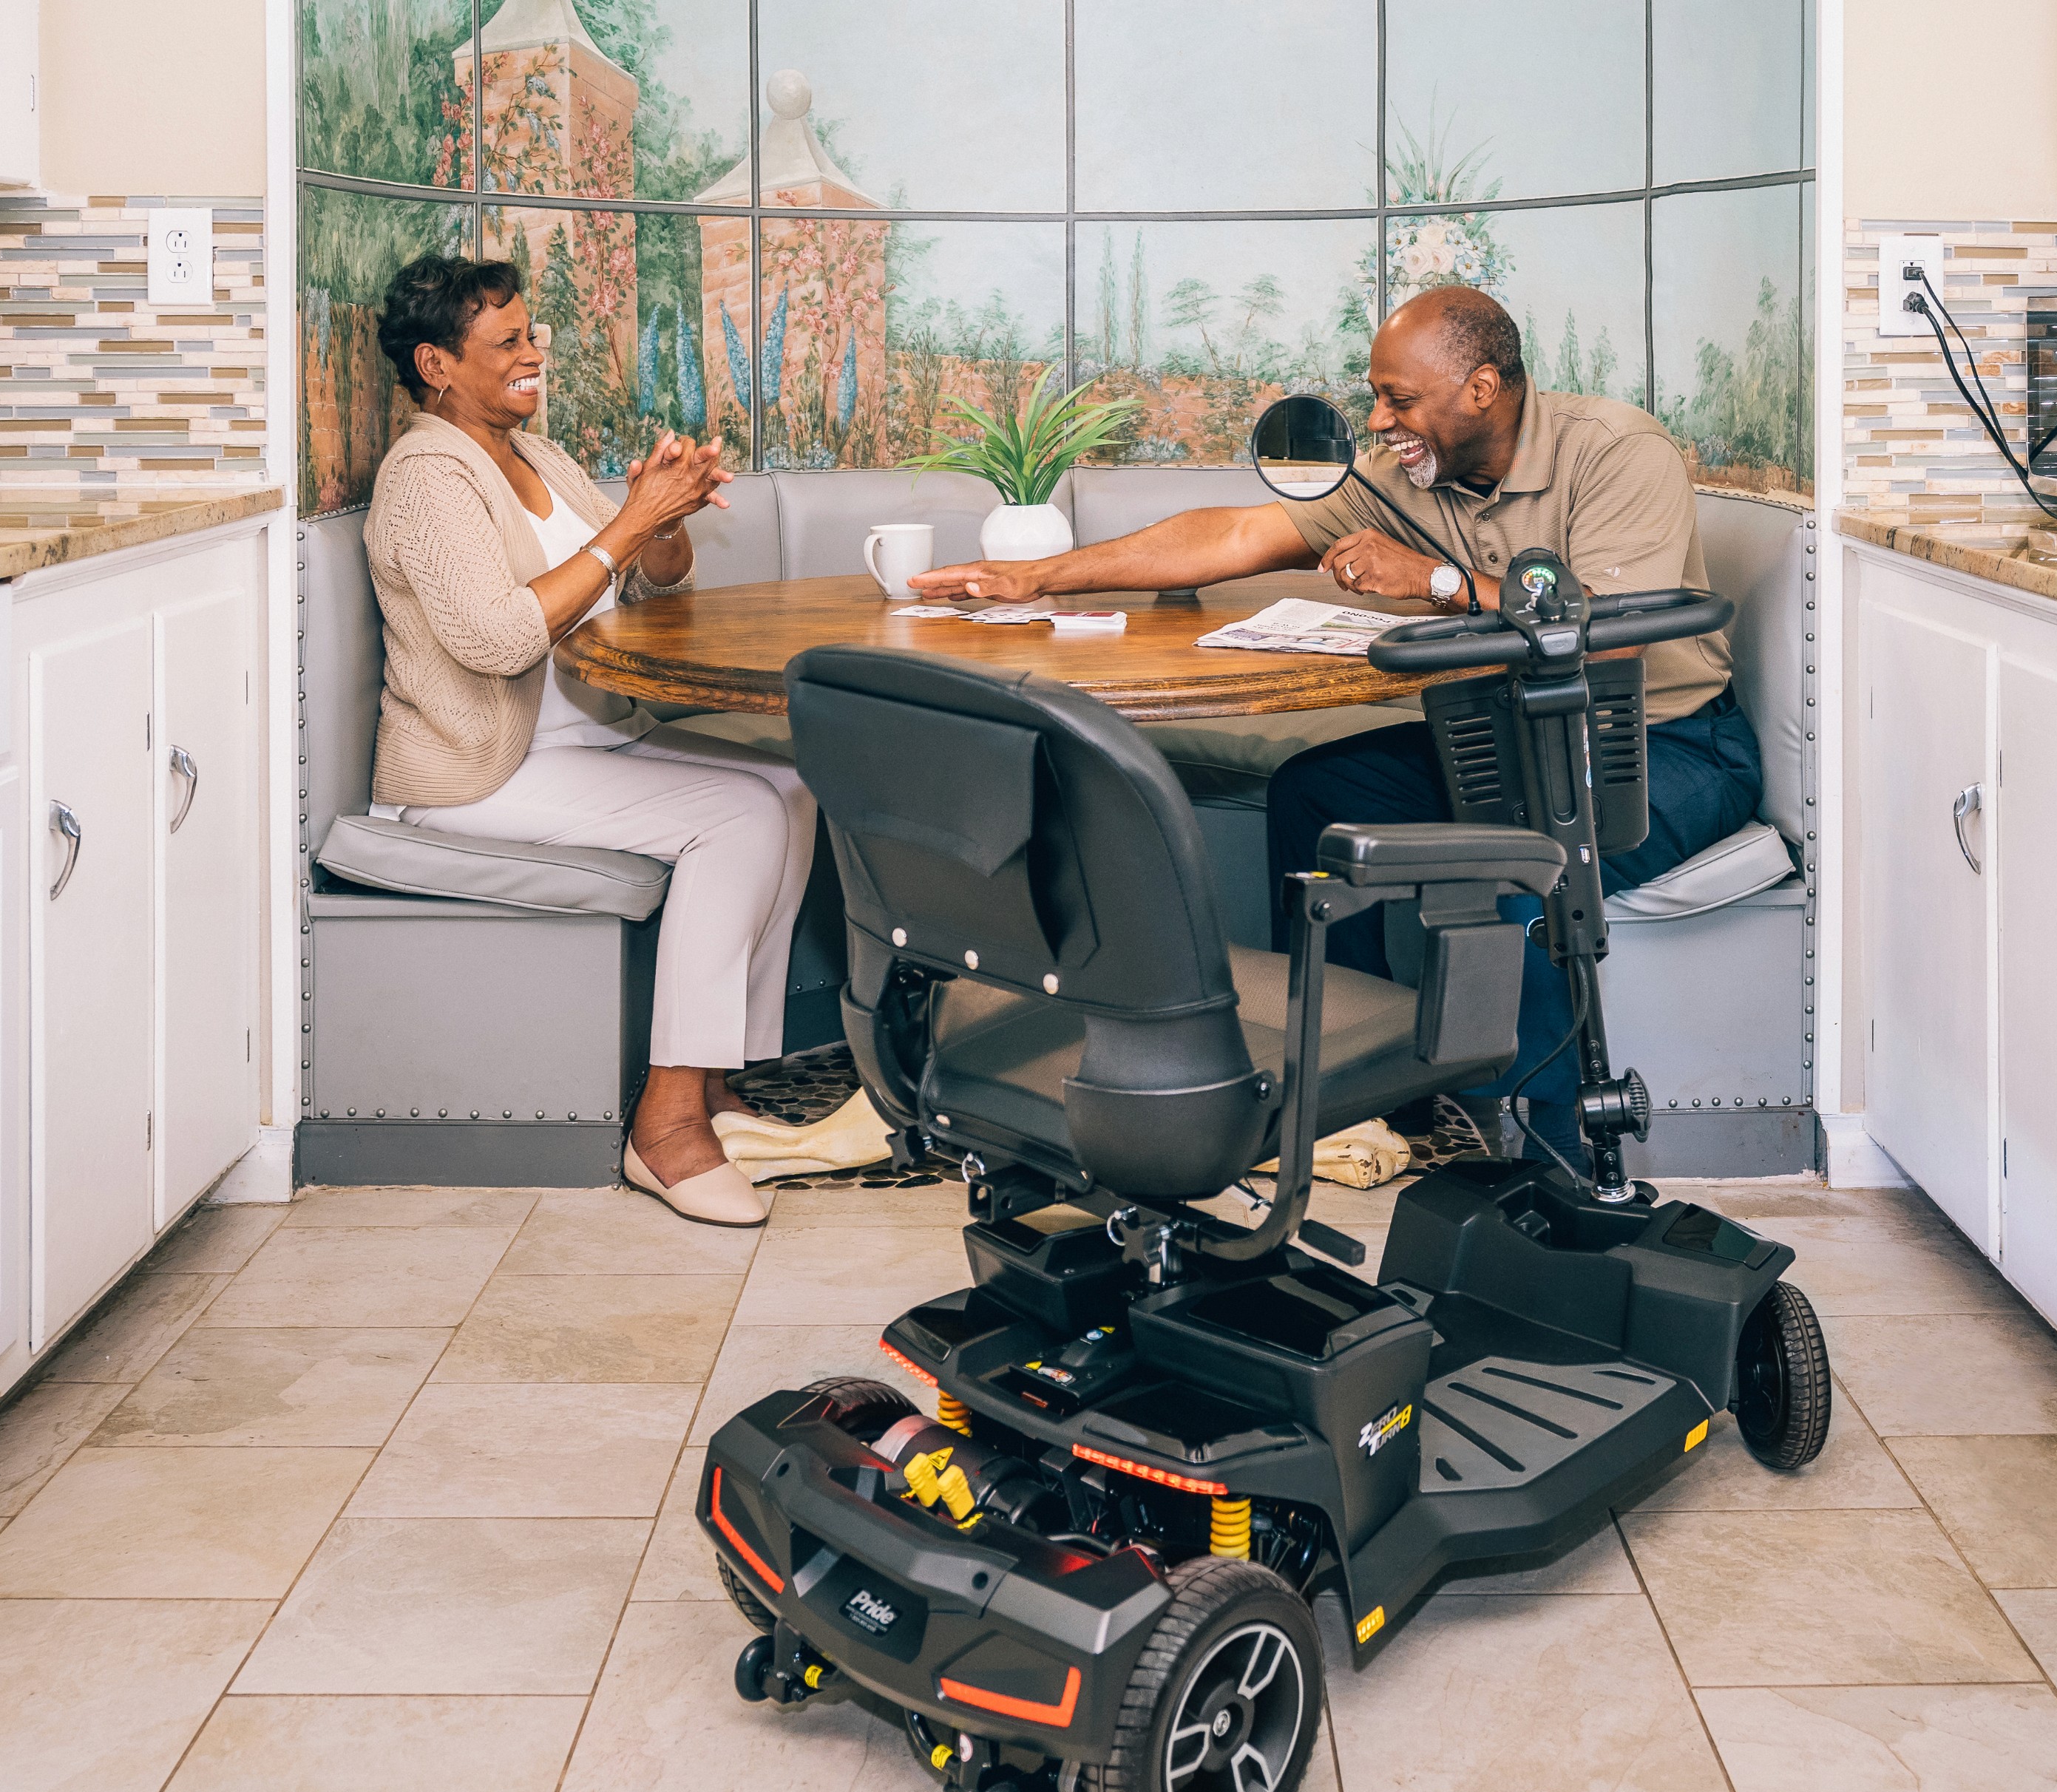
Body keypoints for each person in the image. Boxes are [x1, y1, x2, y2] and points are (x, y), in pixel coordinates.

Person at [911, 286, 1761, 1155]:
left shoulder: (1617, 452)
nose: (1379, 418)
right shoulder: (1406, 475)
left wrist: (1434, 581)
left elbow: (1610, 643)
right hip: (1505, 742)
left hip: (1659, 746)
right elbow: (1238, 535)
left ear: (1479, 388)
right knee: (1319, 796)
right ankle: (1364, 1096)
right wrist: (1042, 577)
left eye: (1400, 398)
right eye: (1375, 394)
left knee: (1521, 867)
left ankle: (1545, 1150)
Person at [362, 253, 813, 1226]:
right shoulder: (427, 473)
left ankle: (717, 1080)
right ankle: (666, 1123)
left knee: (789, 784)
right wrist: (627, 525)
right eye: (508, 340)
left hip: (585, 741)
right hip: (478, 770)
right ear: (437, 364)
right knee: (736, 817)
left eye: (532, 332)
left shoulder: (542, 457)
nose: (535, 352)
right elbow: (494, 636)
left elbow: (652, 585)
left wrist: (662, 516)